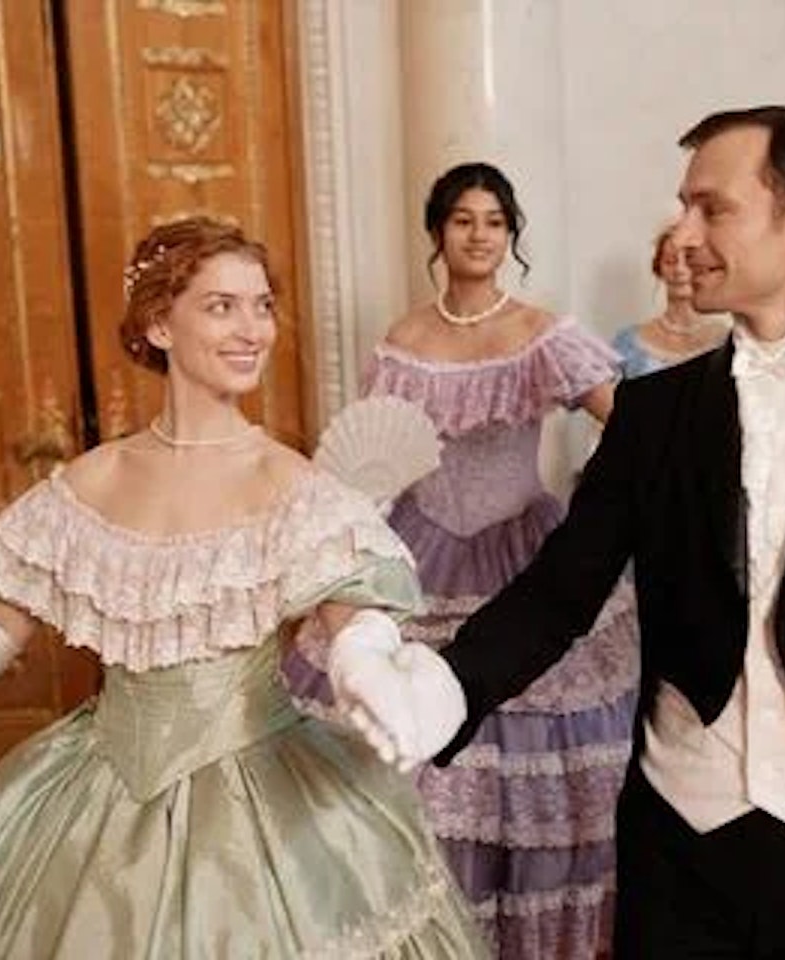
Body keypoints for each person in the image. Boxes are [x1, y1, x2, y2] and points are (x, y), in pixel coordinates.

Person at [333, 108, 785, 959]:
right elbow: (561, 591)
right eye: (684, 208)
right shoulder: (655, 412)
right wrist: (440, 692)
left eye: (712, 208)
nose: (684, 233)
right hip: (679, 834)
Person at [0, 217, 487, 958]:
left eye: (262, 304)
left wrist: (367, 659)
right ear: (159, 324)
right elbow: (1, 620)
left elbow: (353, 605)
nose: (253, 329)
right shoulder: (93, 480)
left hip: (257, 802)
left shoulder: (291, 485)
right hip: (94, 790)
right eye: (221, 306)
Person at [284, 163, 637, 958]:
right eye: (463, 220)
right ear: (437, 233)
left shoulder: (542, 333)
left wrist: (600, 517)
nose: (480, 234)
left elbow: (628, 429)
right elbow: (378, 455)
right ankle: (428, 928)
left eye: (494, 221)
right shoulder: (405, 339)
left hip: (523, 542)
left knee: (525, 714)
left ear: (512, 235)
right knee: (403, 726)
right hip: (418, 547)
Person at [612, 227, 728, 377]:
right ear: (658, 268)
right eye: (670, 261)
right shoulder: (627, 342)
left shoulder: (727, 340)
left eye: (689, 260)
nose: (679, 270)